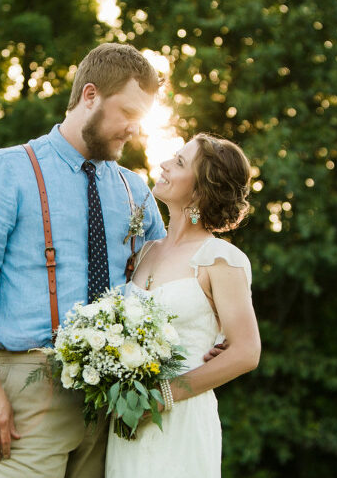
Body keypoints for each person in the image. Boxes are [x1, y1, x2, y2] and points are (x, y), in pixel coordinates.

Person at [0, 43, 167, 478]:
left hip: (114, 401)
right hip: (27, 389)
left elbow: (165, 279)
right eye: (127, 113)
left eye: (140, 119)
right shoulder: (6, 170)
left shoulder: (135, 190)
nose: (133, 129)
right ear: (90, 96)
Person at [105, 134, 262, 477]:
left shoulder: (220, 259)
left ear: (201, 190)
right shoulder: (146, 251)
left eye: (178, 163)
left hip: (180, 420)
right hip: (127, 423)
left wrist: (161, 396)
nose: (163, 165)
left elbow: (246, 352)